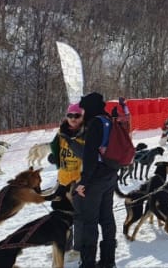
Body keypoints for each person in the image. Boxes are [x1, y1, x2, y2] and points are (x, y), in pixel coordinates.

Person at [73, 92, 118, 268]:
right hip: (110, 174)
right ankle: (108, 261)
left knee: (89, 221)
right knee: (107, 218)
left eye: (84, 108)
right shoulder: (108, 120)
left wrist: (83, 182)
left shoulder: (95, 123)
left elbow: (90, 155)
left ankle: (88, 263)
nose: (83, 112)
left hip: (96, 178)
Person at [48, 102, 85, 258]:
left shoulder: (86, 132)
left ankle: (78, 248)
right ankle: (64, 246)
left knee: (78, 216)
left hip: (77, 181)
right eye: (70, 115)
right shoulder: (61, 132)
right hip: (63, 179)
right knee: (60, 215)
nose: (73, 119)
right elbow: (57, 149)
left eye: (76, 115)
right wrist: (54, 158)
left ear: (82, 116)